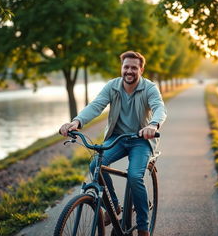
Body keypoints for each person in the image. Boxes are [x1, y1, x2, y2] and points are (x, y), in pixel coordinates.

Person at [60, 50, 167, 236]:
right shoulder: (112, 86)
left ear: (141, 69)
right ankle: (114, 206)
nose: (129, 71)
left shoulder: (149, 88)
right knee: (96, 165)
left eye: (134, 67)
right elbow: (96, 106)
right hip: (117, 138)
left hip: (141, 140)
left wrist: (153, 125)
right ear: (121, 68)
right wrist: (76, 122)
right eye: (126, 67)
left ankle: (143, 227)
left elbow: (159, 108)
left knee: (134, 176)